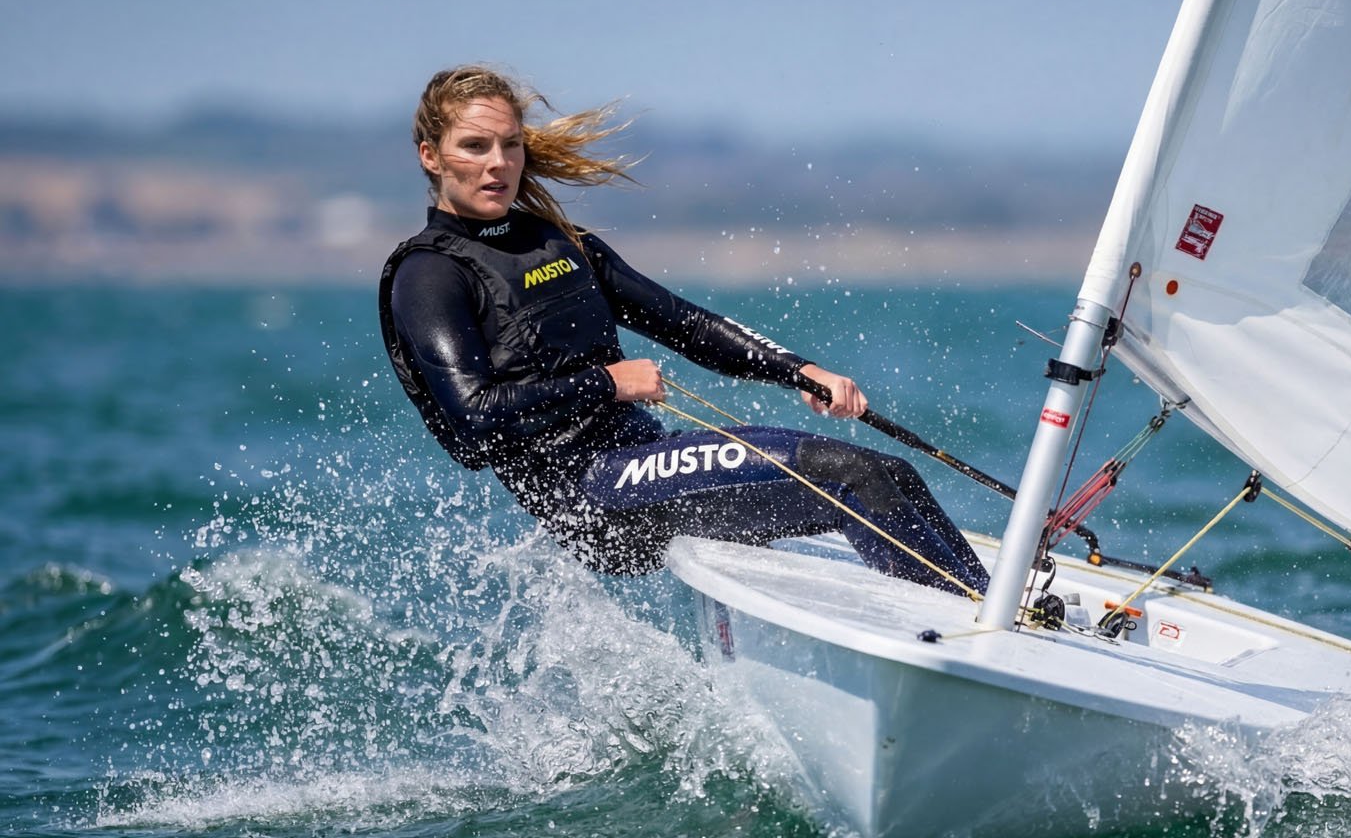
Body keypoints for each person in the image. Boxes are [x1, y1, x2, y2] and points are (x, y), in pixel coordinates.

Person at [378, 65, 989, 595]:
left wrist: (798, 370)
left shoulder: (557, 242)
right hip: (592, 496)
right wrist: (608, 384)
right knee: (852, 475)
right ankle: (972, 643)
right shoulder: (431, 273)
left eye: (509, 145)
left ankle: (991, 611)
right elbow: (474, 413)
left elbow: (685, 324)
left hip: (641, 464)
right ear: (431, 155)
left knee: (891, 475)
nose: (498, 164)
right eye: (475, 146)